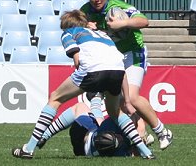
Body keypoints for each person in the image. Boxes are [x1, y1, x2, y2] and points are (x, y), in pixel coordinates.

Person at [11, 10, 154, 159]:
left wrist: (89, 82)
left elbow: (77, 59)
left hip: (93, 70)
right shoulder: (103, 35)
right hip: (118, 70)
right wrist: (128, 101)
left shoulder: (69, 32)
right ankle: (146, 151)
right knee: (116, 112)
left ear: (66, 26)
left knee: (55, 98)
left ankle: (29, 148)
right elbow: (121, 70)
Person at [79, 0, 173, 150]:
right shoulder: (85, 12)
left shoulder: (118, 7)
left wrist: (122, 23)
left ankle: (162, 131)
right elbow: (71, 26)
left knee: (132, 97)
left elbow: (144, 21)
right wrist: (84, 26)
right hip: (112, 59)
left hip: (133, 53)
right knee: (117, 104)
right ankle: (142, 134)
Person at [37, 92, 148, 157]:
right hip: (85, 150)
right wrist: (143, 138)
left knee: (81, 107)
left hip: (83, 137)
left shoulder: (112, 123)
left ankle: (44, 136)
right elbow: (135, 151)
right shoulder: (123, 151)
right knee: (99, 119)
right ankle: (96, 97)